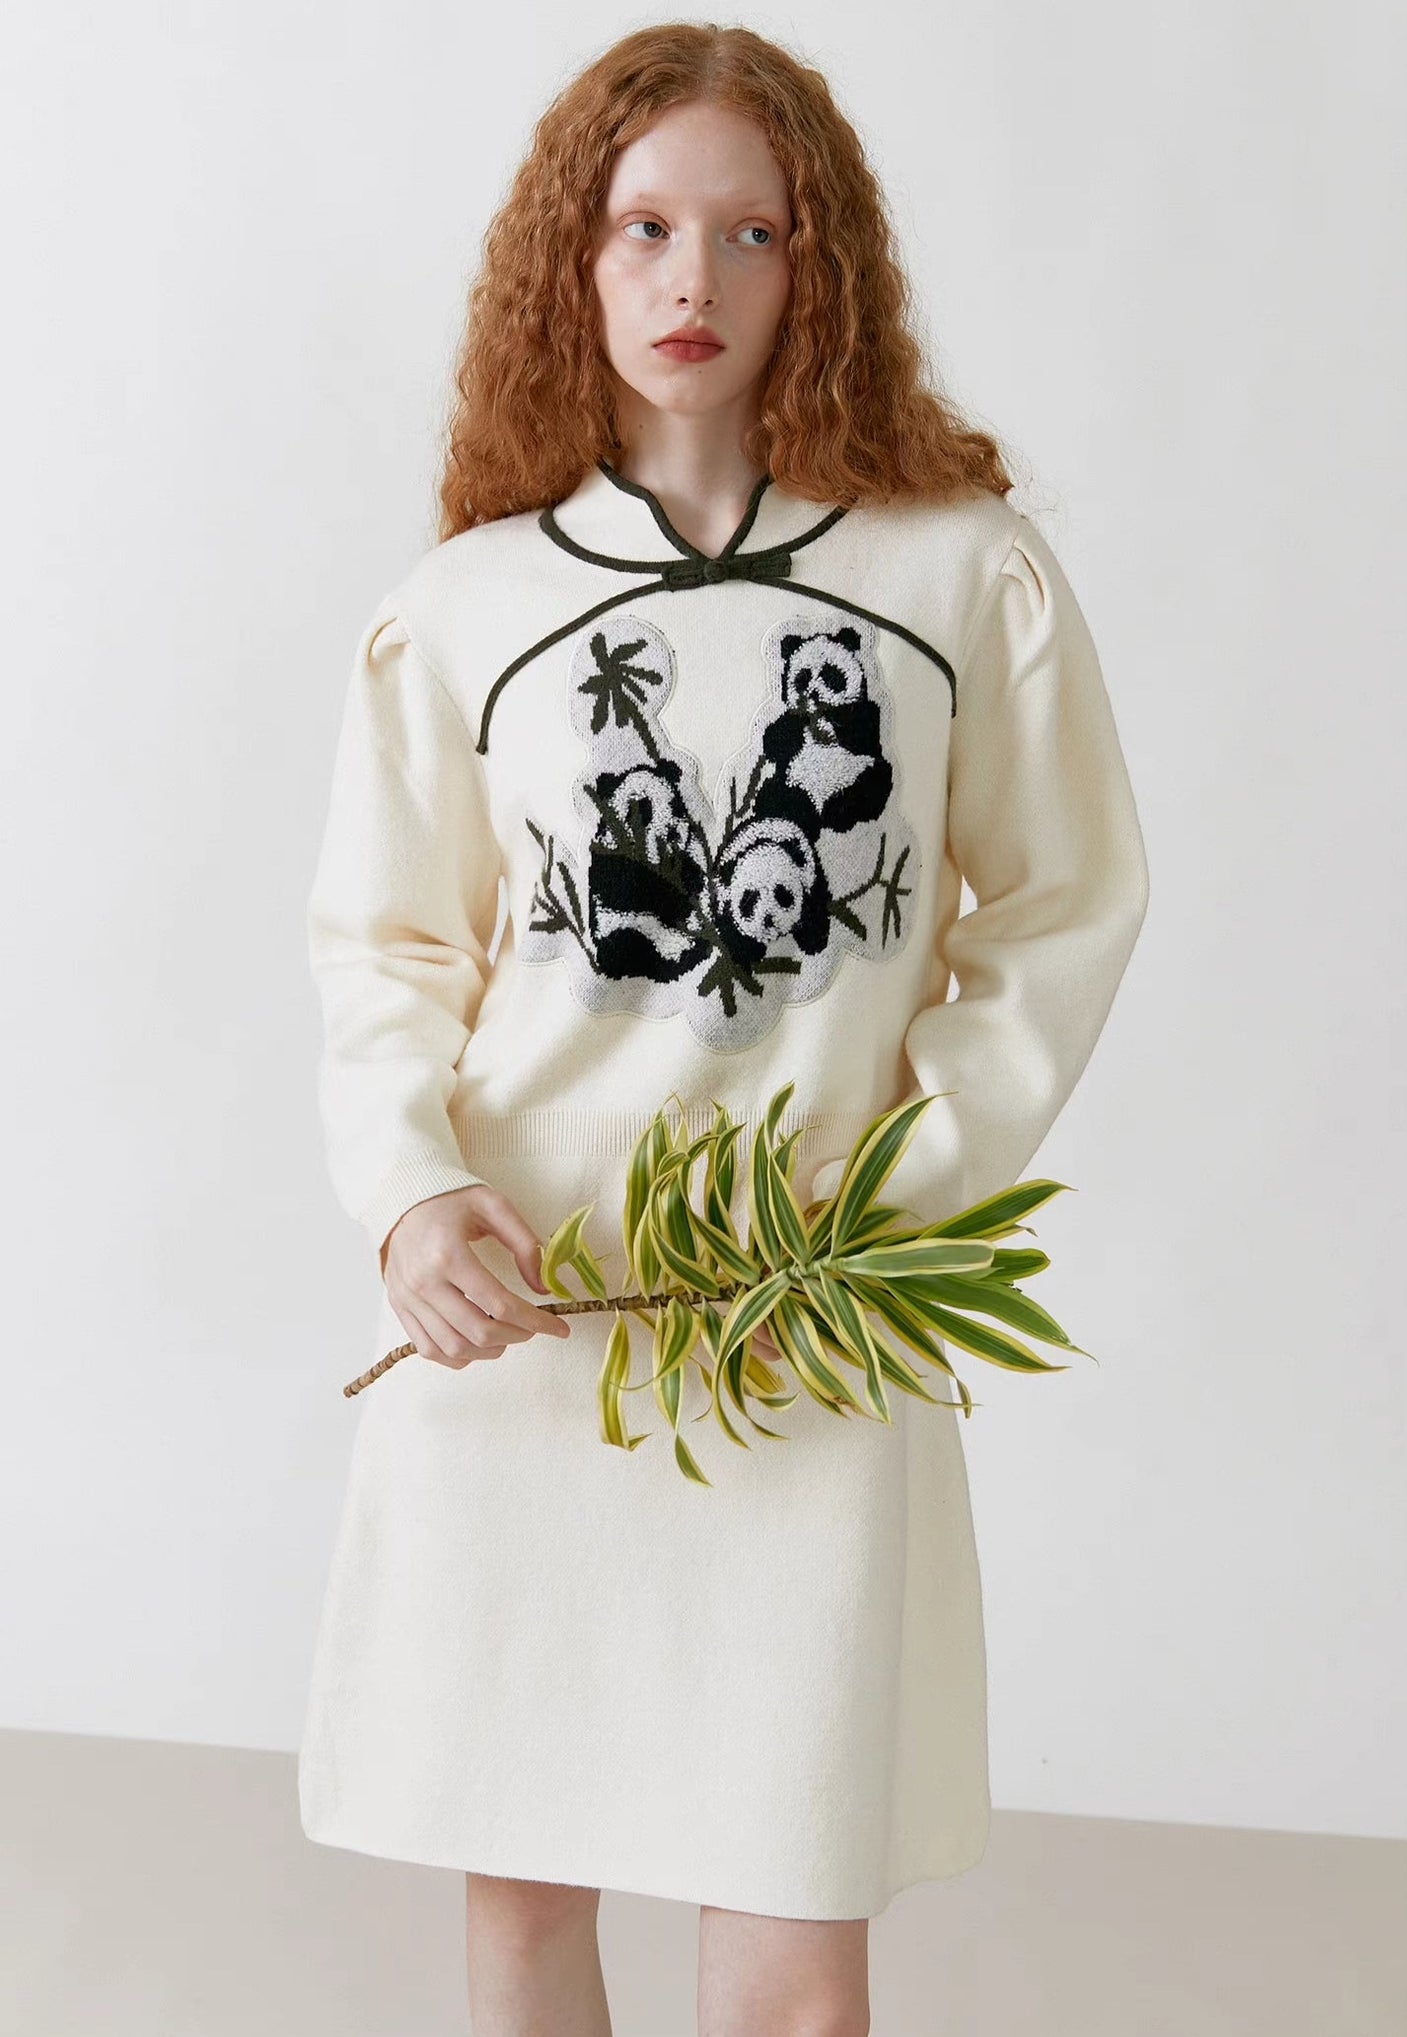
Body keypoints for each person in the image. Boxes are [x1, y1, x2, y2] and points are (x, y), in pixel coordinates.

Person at [297, 22, 1150, 2036]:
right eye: (645, 229)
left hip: (802, 1335)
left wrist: (892, 1201)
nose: (695, 280)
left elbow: (1063, 904)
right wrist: (412, 1197)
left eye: (752, 233)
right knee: (526, 1906)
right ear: (570, 262)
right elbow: (385, 946)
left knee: (792, 1952)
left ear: (817, 264)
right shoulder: (468, 606)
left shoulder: (963, 575)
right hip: (531, 1327)